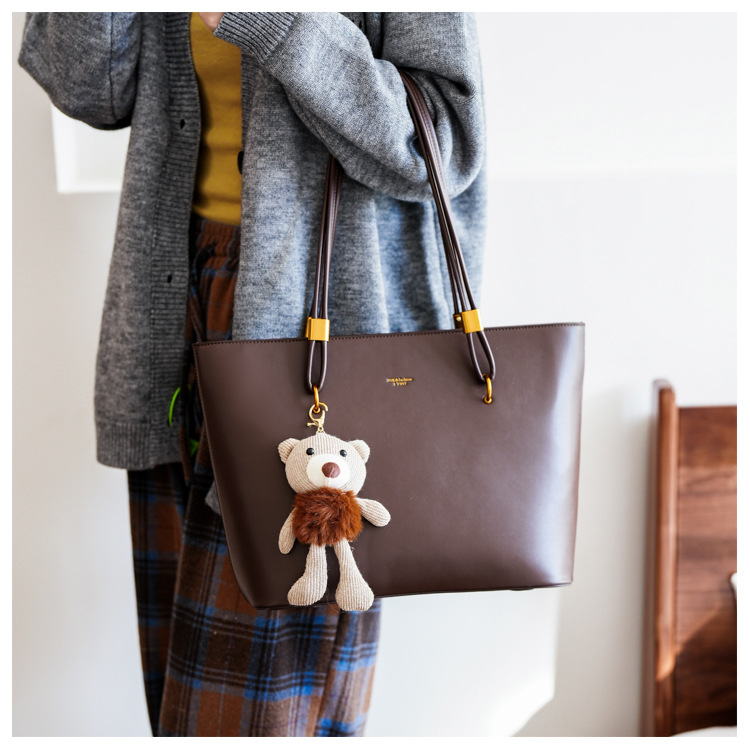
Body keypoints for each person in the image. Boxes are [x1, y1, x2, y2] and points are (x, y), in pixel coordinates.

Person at [18, 12, 487, 737]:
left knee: (246, 715)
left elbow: (444, 145)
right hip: (171, 310)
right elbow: (88, 89)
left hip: (314, 337)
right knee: (182, 705)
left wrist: (276, 20)